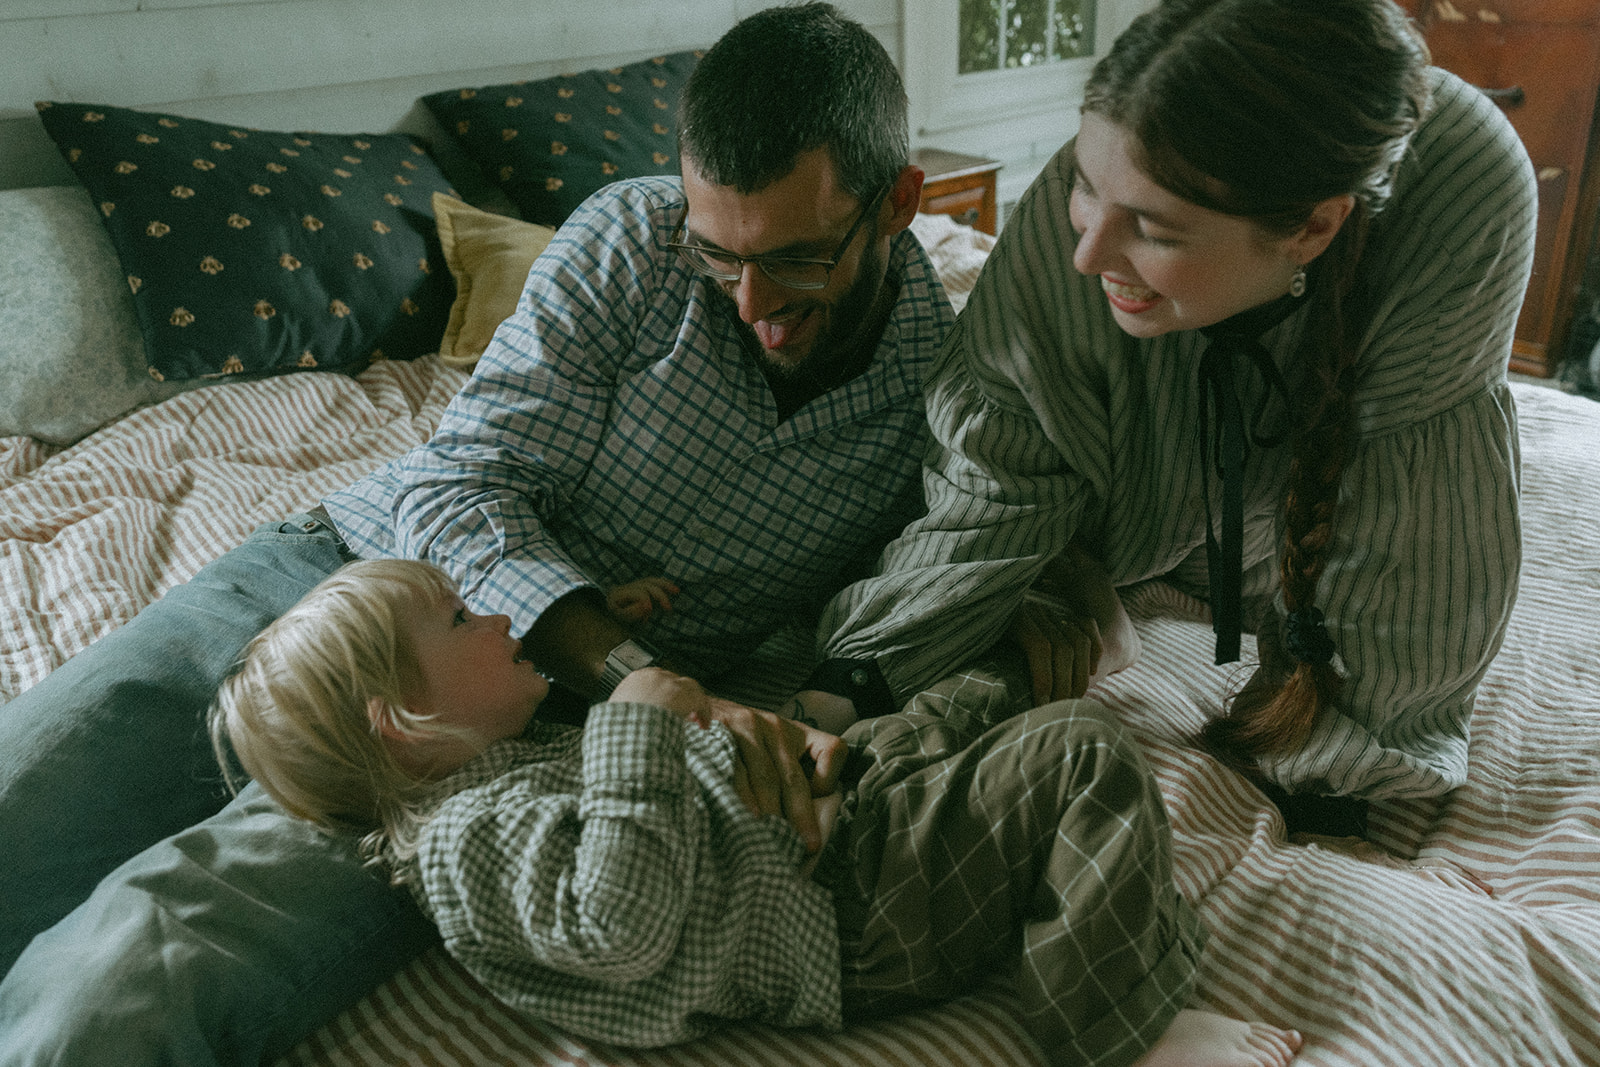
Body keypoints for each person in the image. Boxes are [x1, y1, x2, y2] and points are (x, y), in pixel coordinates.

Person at [0, 5, 950, 1063]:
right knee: (22, 799)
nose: (752, 305)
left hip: (507, 735)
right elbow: (464, 482)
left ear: (901, 202)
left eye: (801, 262)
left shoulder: (951, 389)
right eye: (719, 256)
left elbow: (958, 554)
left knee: (140, 967)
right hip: (351, 574)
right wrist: (642, 671)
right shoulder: (627, 241)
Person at [817, 0, 1535, 839]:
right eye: (1084, 186)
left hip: (1274, 541)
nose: (1088, 254)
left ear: (1312, 227)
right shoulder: (1102, 193)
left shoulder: (1462, 186)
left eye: (1153, 229)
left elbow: (1413, 517)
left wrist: (1326, 770)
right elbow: (994, 466)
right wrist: (852, 682)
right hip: (1114, 518)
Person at [209, 557, 1304, 1067]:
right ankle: (1137, 1026)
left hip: (813, 833)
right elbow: (617, 922)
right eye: (461, 619)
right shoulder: (462, 844)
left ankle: (1067, 648)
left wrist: (635, 666)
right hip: (842, 922)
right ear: (404, 721)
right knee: (1076, 760)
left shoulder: (488, 765)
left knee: (952, 703)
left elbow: (632, 804)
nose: (498, 615)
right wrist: (635, 722)